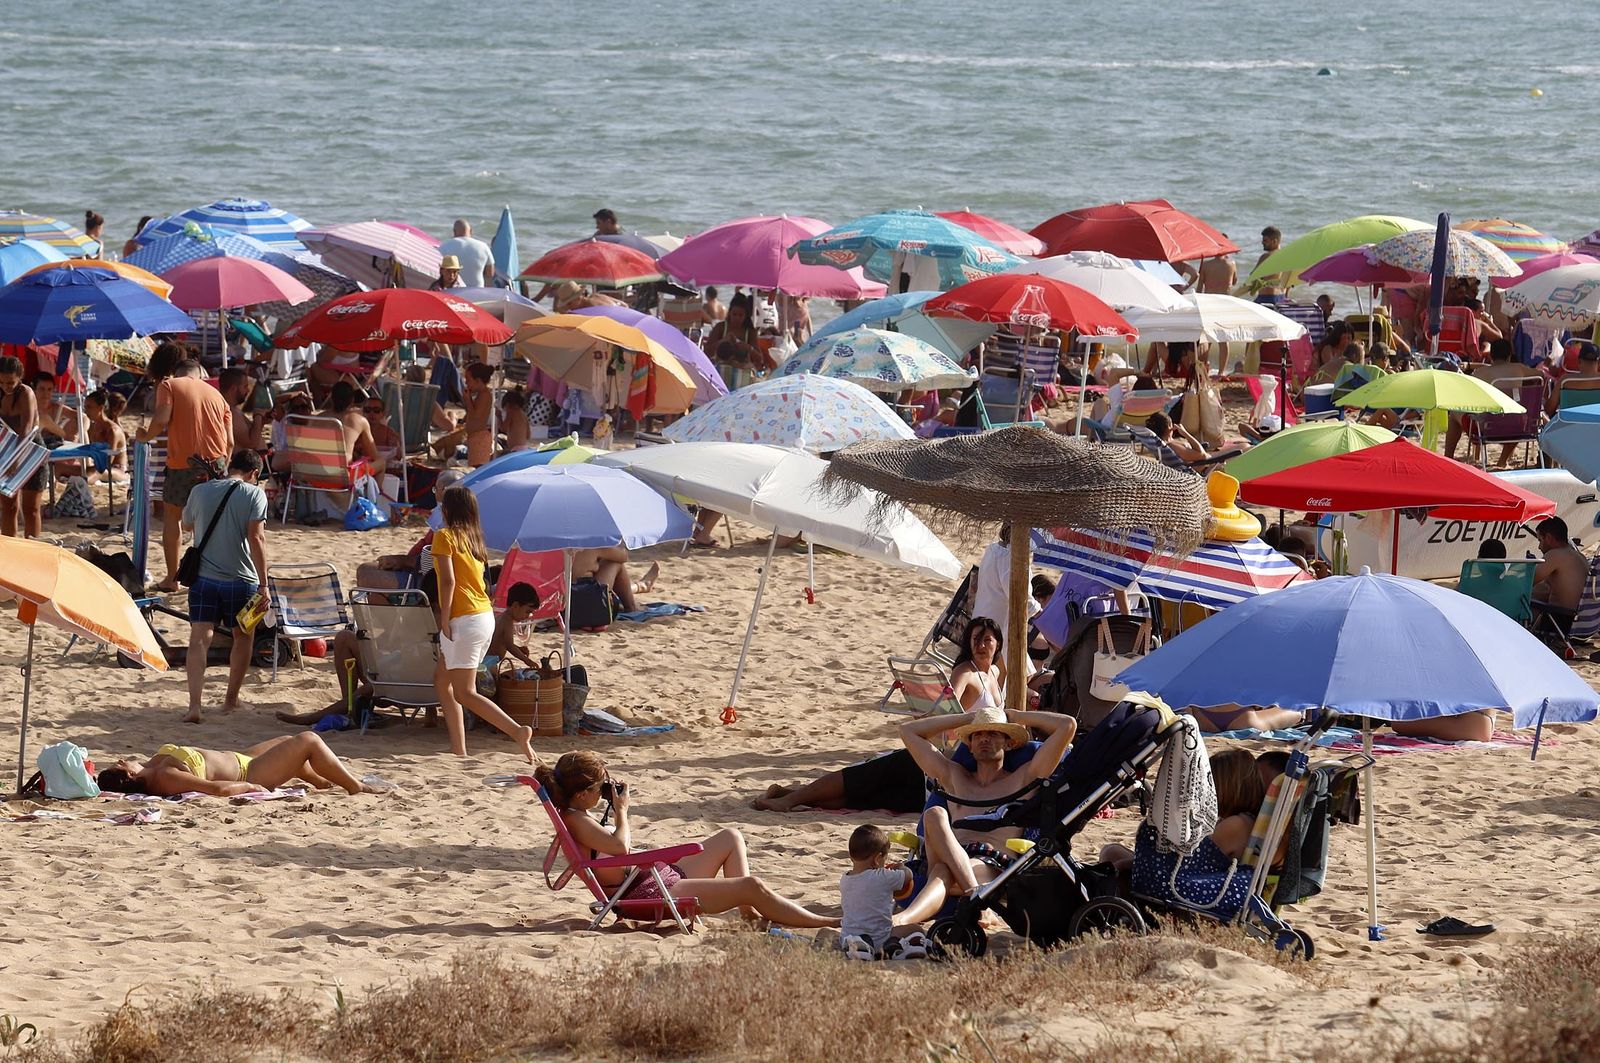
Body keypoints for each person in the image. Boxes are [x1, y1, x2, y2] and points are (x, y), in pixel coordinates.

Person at [538, 750, 839, 927]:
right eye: (600, 787)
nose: (605, 790)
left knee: (730, 837)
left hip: (652, 878)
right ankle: (823, 923)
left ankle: (748, 913)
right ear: (582, 794)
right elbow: (620, 848)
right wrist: (622, 812)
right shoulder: (576, 820)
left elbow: (617, 853)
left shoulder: (575, 816)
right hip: (645, 893)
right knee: (752, 885)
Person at [894, 705, 1077, 924]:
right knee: (934, 814)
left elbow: (1067, 725)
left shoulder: (1023, 778)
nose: (984, 739)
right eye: (977, 734)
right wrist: (969, 718)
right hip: (942, 857)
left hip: (991, 866)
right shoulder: (954, 776)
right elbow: (907, 731)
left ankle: (900, 920)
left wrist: (1016, 717)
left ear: (1009, 743)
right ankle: (974, 896)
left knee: (944, 871)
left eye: (993, 733)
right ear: (969, 746)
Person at [431, 486, 536, 762]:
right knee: (443, 682)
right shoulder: (474, 540)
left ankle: (517, 731)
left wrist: (444, 617)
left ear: (448, 510)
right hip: (482, 616)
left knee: (465, 692)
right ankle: (459, 750)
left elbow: (448, 581)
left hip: (463, 618)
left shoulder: (444, 537)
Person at [180, 448, 268, 723]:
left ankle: (195, 705)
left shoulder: (200, 490)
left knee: (199, 638)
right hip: (241, 579)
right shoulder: (255, 494)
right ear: (254, 473)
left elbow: (185, 525)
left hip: (203, 579)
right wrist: (264, 584)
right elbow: (256, 538)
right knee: (243, 637)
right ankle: (231, 700)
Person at [136, 358, 232, 592]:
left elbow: (161, 419)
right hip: (216, 463)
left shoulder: (169, 385)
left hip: (183, 464)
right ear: (199, 373)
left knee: (172, 518)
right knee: (213, 522)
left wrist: (144, 436)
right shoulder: (217, 396)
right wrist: (223, 465)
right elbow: (230, 442)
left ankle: (172, 578)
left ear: (176, 372)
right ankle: (211, 577)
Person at [95, 733, 376, 797]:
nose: (121, 759)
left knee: (289, 740)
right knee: (309, 740)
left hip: (244, 757)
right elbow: (218, 790)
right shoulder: (166, 776)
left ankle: (321, 781)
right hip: (250, 771)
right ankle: (355, 786)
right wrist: (254, 786)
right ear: (130, 775)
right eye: (120, 764)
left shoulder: (150, 766)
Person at [839, 824, 919, 959]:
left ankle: (859, 946)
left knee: (828, 932)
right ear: (877, 859)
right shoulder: (883, 876)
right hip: (880, 938)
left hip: (848, 936)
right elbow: (908, 876)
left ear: (851, 857)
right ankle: (892, 947)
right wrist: (901, 867)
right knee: (915, 929)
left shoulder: (844, 879)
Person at [972, 525, 1038, 673]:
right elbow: (1021, 598)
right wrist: (1042, 612)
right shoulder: (1010, 557)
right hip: (999, 632)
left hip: (983, 622)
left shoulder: (993, 549)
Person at [0, 356, 45, 537]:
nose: (6, 386)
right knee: (9, 507)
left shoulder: (26, 393)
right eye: (1, 382)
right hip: (6, 451)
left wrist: (15, 459)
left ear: (20, 377)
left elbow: (26, 430)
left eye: (10, 382)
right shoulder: (1, 392)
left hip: (30, 452)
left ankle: (33, 550)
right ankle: (11, 551)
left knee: (31, 509)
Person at [431, 362, 495, 465]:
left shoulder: (484, 395)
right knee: (473, 466)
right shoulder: (480, 395)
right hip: (474, 437)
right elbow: (471, 413)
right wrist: (468, 400)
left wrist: (468, 400)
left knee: (477, 468)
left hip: (480, 438)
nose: (466, 383)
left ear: (478, 380)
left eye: (468, 380)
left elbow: (475, 416)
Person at [1532, 516, 1585, 634]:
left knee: (1520, 605)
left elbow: (1527, 583)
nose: (1539, 547)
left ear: (1549, 538)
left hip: (1559, 621)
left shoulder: (1555, 555)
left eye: (1540, 540)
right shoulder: (1579, 557)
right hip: (1579, 622)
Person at [570, 546, 659, 615]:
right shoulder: (591, 542)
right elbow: (623, 556)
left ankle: (639, 586)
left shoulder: (558, 540)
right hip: (587, 607)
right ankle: (632, 606)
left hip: (561, 605)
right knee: (614, 563)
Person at [327, 380, 384, 476]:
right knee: (381, 462)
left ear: (331, 399)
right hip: (340, 478)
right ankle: (378, 491)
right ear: (352, 401)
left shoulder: (315, 419)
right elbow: (374, 455)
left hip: (312, 476)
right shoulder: (358, 420)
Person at [951, 616, 1005, 711]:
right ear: (969, 642)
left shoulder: (995, 671)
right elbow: (946, 711)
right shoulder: (964, 673)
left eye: (987, 640)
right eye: (976, 639)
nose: (981, 645)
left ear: (998, 645)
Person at [83, 389, 128, 481]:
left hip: (116, 469)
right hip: (98, 465)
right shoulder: (93, 426)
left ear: (100, 408)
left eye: (89, 407)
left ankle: (79, 482)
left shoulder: (112, 430)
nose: (86, 411)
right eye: (85, 407)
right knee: (67, 468)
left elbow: (108, 460)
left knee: (98, 472)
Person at [218, 367, 265, 454]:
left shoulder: (233, 409)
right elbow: (252, 443)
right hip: (244, 464)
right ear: (233, 389)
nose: (248, 390)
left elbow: (252, 434)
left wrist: (262, 421)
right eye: (245, 386)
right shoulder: (230, 412)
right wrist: (258, 416)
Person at [437, 219, 495, 287]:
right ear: (471, 231)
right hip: (477, 292)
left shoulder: (444, 246)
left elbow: (438, 270)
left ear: (454, 231)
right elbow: (490, 273)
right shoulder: (484, 246)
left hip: (453, 292)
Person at [1144, 410, 1209, 464]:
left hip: (1198, 462)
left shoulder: (1160, 445)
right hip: (1201, 469)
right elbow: (1203, 456)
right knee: (1219, 456)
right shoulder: (1172, 446)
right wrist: (1185, 433)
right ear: (1169, 427)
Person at [31, 373, 80, 444]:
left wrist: (76, 433)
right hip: (35, 446)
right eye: (42, 389)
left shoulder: (56, 408)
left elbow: (84, 418)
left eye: (49, 389)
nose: (46, 393)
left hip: (54, 447)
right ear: (34, 389)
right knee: (43, 418)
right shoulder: (29, 407)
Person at [1250, 226, 1287, 303]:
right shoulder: (1287, 256)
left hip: (1267, 297)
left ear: (1275, 241)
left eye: (1265, 240)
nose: (1262, 242)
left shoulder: (1266, 256)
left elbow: (1253, 277)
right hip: (1282, 297)